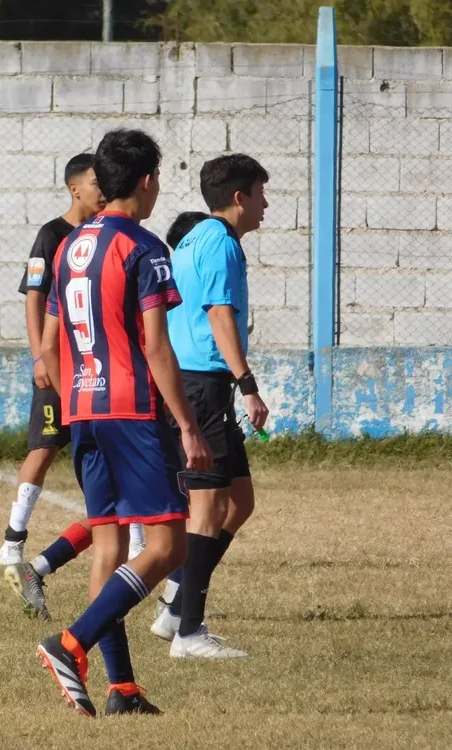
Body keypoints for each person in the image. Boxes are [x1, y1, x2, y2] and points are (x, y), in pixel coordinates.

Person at [34, 128, 212, 717]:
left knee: (109, 545)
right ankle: (69, 642)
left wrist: (74, 401)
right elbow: (157, 347)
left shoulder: (70, 247)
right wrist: (187, 425)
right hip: (133, 409)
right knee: (167, 545)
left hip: (84, 411)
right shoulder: (144, 246)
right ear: (147, 180)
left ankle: (123, 689)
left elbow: (51, 345)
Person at [0, 154, 145, 620]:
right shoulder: (53, 236)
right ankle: (13, 545)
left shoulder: (105, 234)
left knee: (113, 494)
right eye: (95, 183)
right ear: (74, 188)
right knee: (45, 448)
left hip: (98, 374)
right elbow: (36, 299)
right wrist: (40, 355)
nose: (103, 190)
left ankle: (49, 568)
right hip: (62, 366)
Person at [160, 154, 270, 660]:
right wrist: (247, 384)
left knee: (239, 501)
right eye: (261, 193)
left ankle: (177, 607)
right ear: (239, 197)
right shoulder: (220, 242)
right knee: (207, 508)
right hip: (204, 385)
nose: (266, 204)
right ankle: (189, 633)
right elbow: (220, 314)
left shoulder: (195, 238)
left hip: (203, 385)